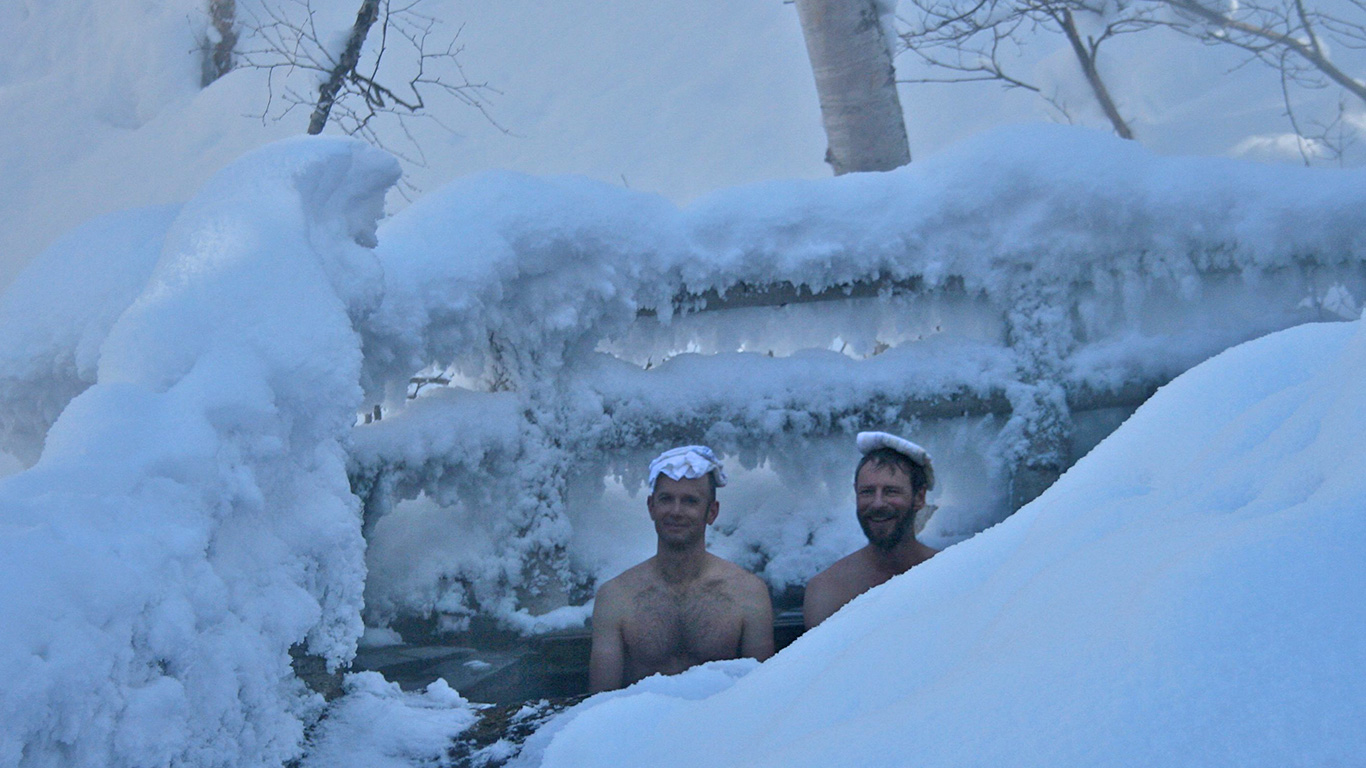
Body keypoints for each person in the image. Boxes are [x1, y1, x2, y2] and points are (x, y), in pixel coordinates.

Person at [588, 445, 775, 692]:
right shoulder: (616, 597)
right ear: (651, 506)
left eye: (690, 501)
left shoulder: (747, 594)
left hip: (725, 726)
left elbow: (762, 694)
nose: (676, 511)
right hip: (641, 727)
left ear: (712, 512)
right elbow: (599, 702)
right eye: (666, 499)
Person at [803, 431, 939, 629]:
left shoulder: (948, 572)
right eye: (867, 492)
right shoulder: (829, 590)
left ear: (919, 497)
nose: (877, 503)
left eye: (891, 491)